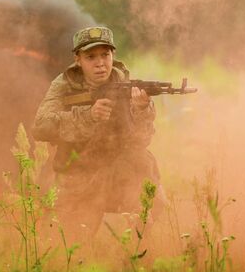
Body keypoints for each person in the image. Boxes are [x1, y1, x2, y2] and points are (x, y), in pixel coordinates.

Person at [32, 26, 161, 245]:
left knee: (145, 171)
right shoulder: (64, 85)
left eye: (105, 55)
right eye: (91, 57)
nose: (100, 63)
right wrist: (88, 115)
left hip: (119, 171)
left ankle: (135, 257)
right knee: (66, 245)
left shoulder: (128, 87)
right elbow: (41, 127)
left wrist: (142, 110)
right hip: (78, 172)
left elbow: (140, 141)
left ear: (113, 56)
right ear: (78, 59)